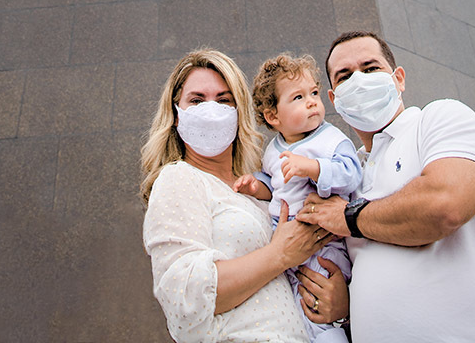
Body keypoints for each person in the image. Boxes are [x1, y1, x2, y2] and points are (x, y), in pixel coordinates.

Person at [296, 30, 475, 343]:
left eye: (371, 68)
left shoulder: (441, 119)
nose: (359, 81)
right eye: (345, 76)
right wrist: (347, 307)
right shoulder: (350, 178)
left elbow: (445, 205)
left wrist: (349, 218)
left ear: (398, 78)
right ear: (334, 98)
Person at [140, 48, 348, 343]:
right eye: (197, 100)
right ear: (176, 114)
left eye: (224, 100)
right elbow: (183, 299)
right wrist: (279, 255)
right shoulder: (179, 178)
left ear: (239, 114)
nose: (211, 110)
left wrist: (338, 306)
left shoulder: (261, 189)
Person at [234, 53, 360, 342]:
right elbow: (272, 182)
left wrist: (313, 168)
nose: (313, 101)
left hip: (323, 245)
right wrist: (255, 187)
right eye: (299, 97)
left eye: (314, 93)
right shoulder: (273, 150)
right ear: (273, 116)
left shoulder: (331, 140)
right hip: (285, 247)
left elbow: (351, 174)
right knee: (296, 312)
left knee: (321, 315)